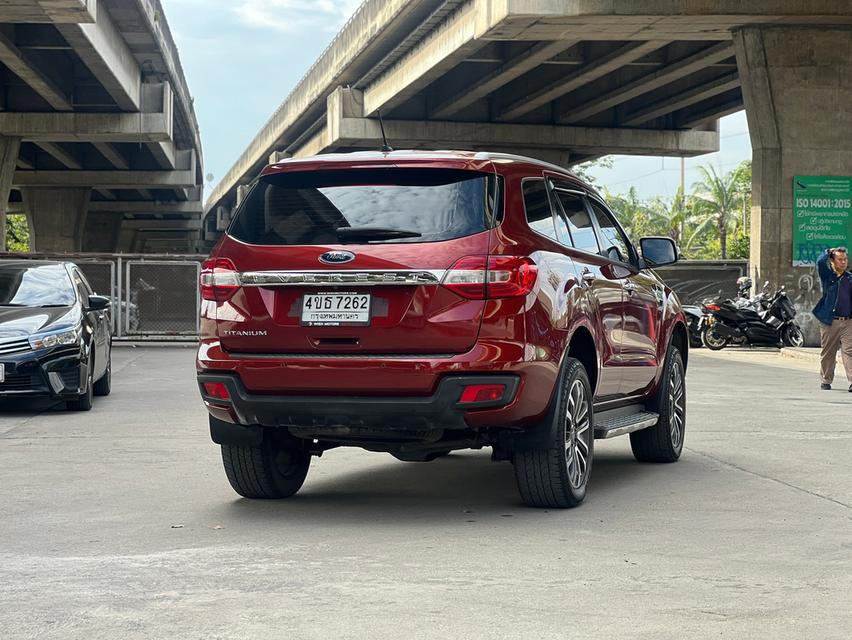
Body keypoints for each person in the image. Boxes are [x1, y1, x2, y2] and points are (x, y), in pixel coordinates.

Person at [812, 247, 852, 391]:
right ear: (833, 261)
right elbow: (820, 262)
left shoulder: (849, 278)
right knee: (828, 352)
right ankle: (826, 380)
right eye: (840, 259)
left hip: (848, 321)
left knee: (849, 351)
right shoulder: (828, 276)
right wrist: (828, 252)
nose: (843, 262)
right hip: (830, 321)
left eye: (845, 259)